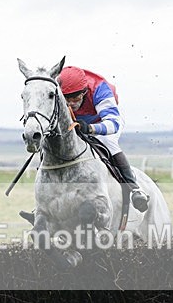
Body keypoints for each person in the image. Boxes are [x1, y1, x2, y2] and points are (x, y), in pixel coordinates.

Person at [58, 65, 149, 212]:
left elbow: (114, 123)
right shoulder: (56, 89)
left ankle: (134, 189)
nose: (70, 104)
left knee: (107, 141)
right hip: (75, 124)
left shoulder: (100, 89)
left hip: (103, 121)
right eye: (66, 99)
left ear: (84, 92)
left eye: (75, 98)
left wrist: (91, 128)